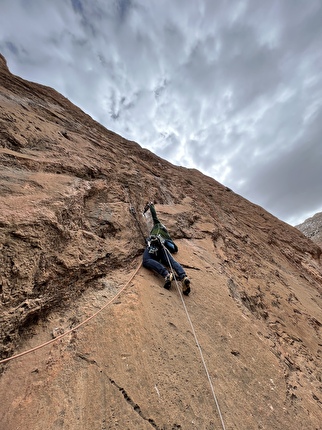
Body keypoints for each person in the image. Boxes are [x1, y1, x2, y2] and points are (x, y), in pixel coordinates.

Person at [142, 203, 191, 295]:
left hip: (154, 243)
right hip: (163, 248)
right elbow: (174, 249)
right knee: (171, 261)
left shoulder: (158, 225)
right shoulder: (168, 237)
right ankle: (183, 276)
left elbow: (154, 215)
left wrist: (151, 206)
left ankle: (167, 274)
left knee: (146, 260)